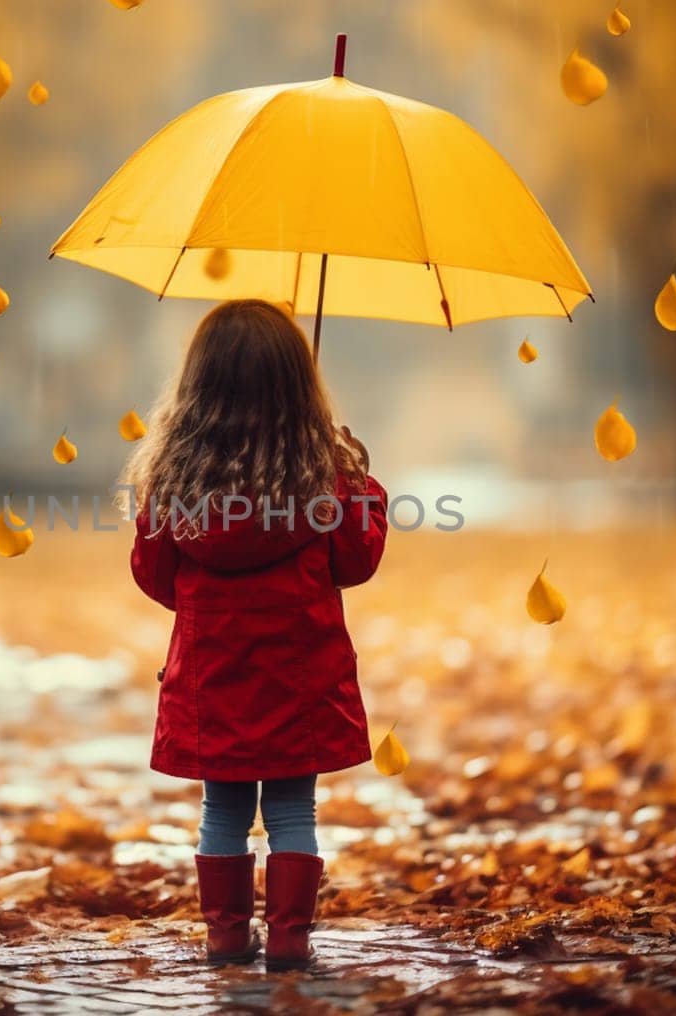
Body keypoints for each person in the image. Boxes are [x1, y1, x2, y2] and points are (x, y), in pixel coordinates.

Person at [122, 299, 389, 970]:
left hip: (213, 682)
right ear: (298, 385)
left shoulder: (174, 479)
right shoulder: (323, 474)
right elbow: (357, 562)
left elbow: (155, 577)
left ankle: (226, 936)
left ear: (198, 387)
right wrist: (362, 483)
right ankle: (292, 941)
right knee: (295, 808)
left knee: (223, 811)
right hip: (299, 681)